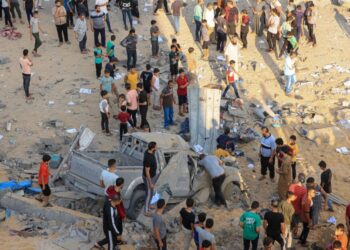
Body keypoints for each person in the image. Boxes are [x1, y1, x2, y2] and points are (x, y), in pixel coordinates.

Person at [96, 178, 126, 248]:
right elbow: (112, 224)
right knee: (111, 244)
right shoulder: (111, 211)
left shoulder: (109, 201)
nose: (120, 202)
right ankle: (113, 242)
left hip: (109, 227)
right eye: (119, 201)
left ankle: (99, 244)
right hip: (109, 229)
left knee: (111, 240)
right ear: (116, 201)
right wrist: (118, 234)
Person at [288, 172, 306, 237]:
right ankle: (295, 232)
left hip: (291, 208)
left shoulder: (292, 186)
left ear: (298, 178)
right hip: (299, 210)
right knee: (297, 221)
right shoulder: (304, 190)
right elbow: (303, 202)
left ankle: (289, 231)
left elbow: (288, 197)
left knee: (290, 220)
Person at [143, 142, 158, 216]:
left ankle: (149, 204)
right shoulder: (148, 158)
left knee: (151, 192)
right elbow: (147, 172)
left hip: (152, 176)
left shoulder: (148, 151)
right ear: (152, 148)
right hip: (148, 177)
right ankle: (146, 211)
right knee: (148, 194)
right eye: (156, 146)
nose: (157, 147)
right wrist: (150, 183)